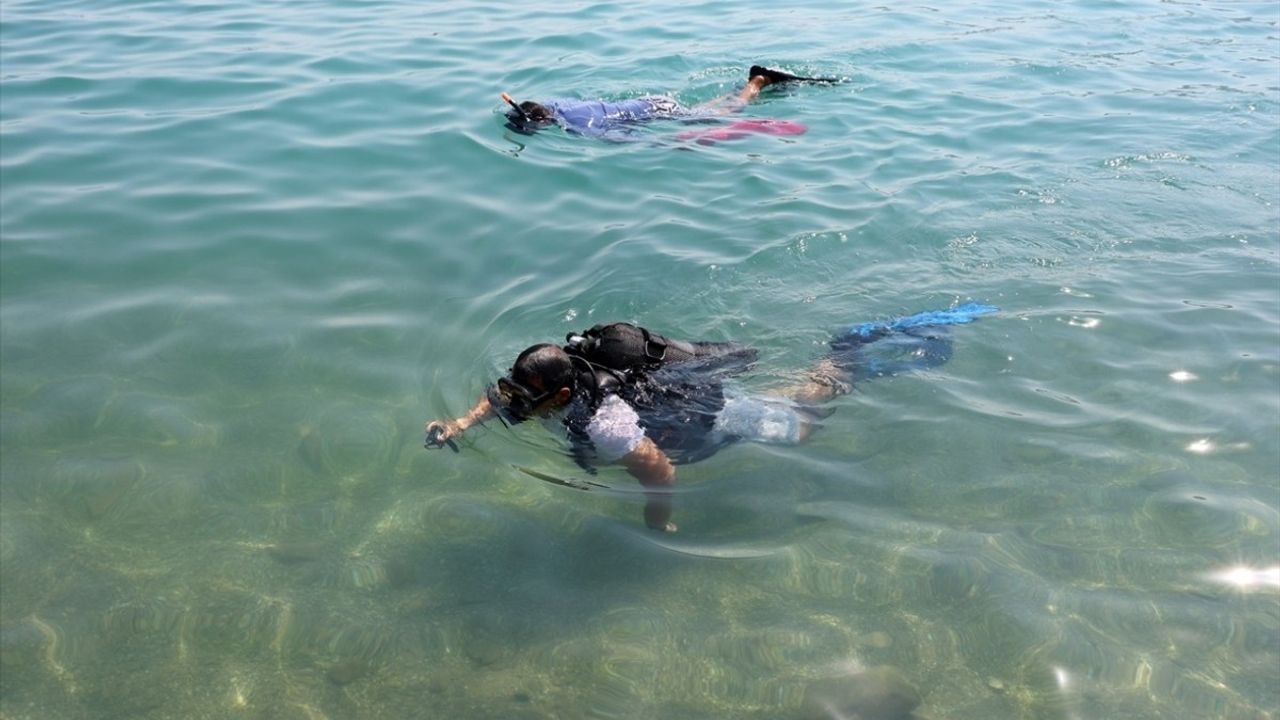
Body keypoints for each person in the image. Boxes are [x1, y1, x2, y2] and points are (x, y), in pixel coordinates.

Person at [424, 306, 997, 532]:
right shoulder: (554, 371)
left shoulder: (607, 423)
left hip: (711, 416)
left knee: (802, 423)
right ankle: (822, 367)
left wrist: (658, 521)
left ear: (565, 389)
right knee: (781, 400)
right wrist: (459, 424)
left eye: (528, 395)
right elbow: (496, 398)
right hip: (675, 402)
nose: (514, 402)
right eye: (514, 390)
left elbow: (660, 472)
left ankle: (847, 353)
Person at [502, 65, 838, 138]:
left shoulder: (577, 125)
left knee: (728, 111)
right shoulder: (559, 105)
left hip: (656, 112)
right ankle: (747, 84)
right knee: (707, 109)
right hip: (651, 101)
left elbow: (619, 138)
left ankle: (758, 82)